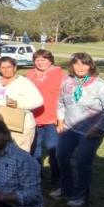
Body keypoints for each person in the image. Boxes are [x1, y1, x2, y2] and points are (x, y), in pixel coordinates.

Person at [53, 52, 104, 207]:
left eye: (84, 64)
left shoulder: (101, 85)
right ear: (72, 66)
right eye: (77, 64)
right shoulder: (67, 81)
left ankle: (81, 196)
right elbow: (61, 102)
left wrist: (97, 128)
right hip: (69, 127)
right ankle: (66, 189)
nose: (80, 67)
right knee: (61, 156)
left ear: (90, 66)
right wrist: (60, 120)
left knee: (82, 162)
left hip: (91, 131)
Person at [0, 57, 43, 152]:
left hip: (20, 127)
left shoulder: (24, 82)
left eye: (9, 67)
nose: (6, 70)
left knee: (19, 155)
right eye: (3, 67)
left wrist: (18, 104)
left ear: (15, 68)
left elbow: (39, 101)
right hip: (0, 126)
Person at [26, 49, 64, 184]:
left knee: (53, 148)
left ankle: (57, 177)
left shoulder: (60, 74)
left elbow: (64, 98)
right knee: (35, 149)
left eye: (43, 60)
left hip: (52, 119)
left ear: (50, 61)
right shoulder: (29, 74)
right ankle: (38, 176)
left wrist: (61, 120)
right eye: (37, 60)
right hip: (33, 118)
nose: (40, 63)